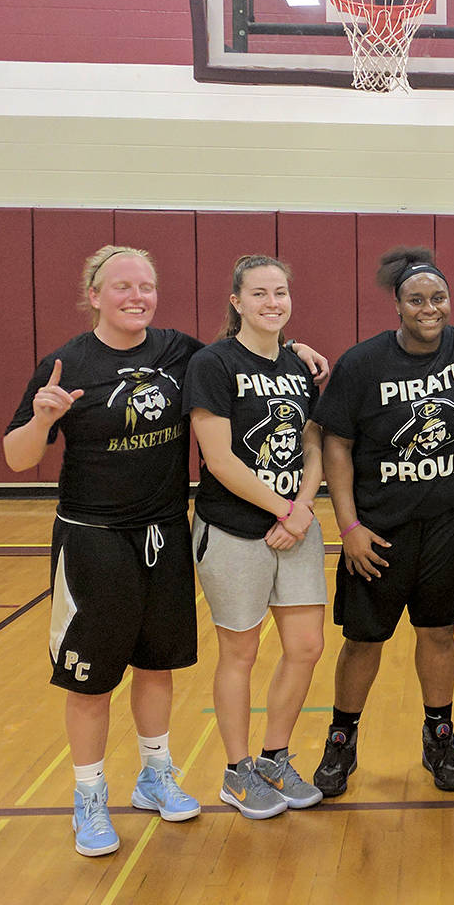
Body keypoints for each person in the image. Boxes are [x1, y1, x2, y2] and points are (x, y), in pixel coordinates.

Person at [3, 245, 327, 857]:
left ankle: (155, 775)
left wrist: (300, 346)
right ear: (93, 295)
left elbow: (249, 344)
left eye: (145, 286)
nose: (135, 296)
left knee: (157, 666)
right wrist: (42, 421)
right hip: (93, 538)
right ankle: (89, 797)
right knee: (93, 681)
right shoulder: (64, 363)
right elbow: (18, 457)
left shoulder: (178, 351)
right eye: (120, 286)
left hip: (164, 531)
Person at [311, 246, 454, 797]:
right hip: (378, 530)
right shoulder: (363, 363)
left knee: (439, 633)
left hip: (448, 524)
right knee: (362, 641)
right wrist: (348, 526)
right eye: (417, 299)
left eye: (438, 298)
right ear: (398, 306)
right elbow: (336, 444)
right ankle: (341, 741)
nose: (430, 308)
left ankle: (439, 735)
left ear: (450, 300)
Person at [185, 255, 326, 820]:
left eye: (282, 292)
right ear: (237, 302)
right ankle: (237, 770)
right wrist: (282, 510)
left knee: (306, 646)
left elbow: (313, 440)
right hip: (234, 530)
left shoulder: (297, 364)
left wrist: (303, 508)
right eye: (261, 293)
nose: (273, 302)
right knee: (240, 651)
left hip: (295, 528)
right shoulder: (213, 364)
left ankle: (274, 757)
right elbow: (218, 460)